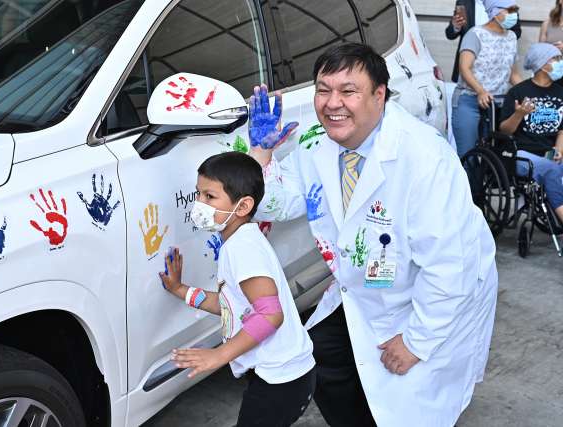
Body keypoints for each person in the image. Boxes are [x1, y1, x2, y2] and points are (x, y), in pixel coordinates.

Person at [249, 42, 498, 427]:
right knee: (323, 362)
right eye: (323, 90)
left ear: (379, 95)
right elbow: (281, 203)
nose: (332, 103)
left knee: (412, 404)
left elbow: (451, 265)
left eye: (348, 91)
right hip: (368, 289)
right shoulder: (318, 143)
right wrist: (261, 154)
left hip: (432, 296)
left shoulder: (423, 158)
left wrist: (417, 341)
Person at [159, 151, 316, 427]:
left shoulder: (242, 249)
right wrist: (181, 289)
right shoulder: (241, 240)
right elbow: (229, 305)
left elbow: (270, 315)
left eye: (210, 197)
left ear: (242, 207)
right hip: (282, 377)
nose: (199, 204)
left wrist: (219, 355)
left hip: (281, 381)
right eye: (198, 194)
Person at [499, 43, 563, 223]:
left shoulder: (561, 92)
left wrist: (559, 149)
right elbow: (505, 130)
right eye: (556, 59)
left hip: (550, 151)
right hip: (522, 153)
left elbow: (562, 130)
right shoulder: (518, 92)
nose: (561, 62)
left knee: (554, 165)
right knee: (552, 169)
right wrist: (519, 114)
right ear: (543, 65)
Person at [452, 0, 522, 159]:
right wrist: (480, 91)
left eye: (515, 10)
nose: (514, 15)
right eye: (509, 10)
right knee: (468, 155)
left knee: (492, 156)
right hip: (469, 101)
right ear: (495, 12)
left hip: (497, 105)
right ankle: (468, 184)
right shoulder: (475, 34)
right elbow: (464, 68)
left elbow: (513, 74)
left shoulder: (511, 37)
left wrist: (529, 91)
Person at [445, 0, 521, 83]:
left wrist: (500, 37)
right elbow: (450, 35)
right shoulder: (463, 2)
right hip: (468, 64)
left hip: (496, 66)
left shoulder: (503, 2)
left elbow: (516, 31)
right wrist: (456, 27)